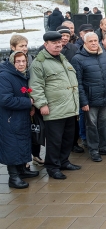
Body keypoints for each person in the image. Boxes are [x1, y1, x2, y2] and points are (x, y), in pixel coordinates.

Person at [29, 31, 81, 179]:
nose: (58, 45)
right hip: (53, 109)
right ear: (46, 44)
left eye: (59, 42)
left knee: (67, 138)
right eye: (54, 43)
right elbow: (36, 86)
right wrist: (42, 104)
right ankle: (52, 167)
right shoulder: (39, 63)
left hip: (70, 107)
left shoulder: (62, 58)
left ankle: (64, 161)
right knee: (54, 141)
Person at [70, 33, 106, 162]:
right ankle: (94, 150)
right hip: (90, 100)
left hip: (105, 98)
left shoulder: (105, 56)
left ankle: (104, 147)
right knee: (91, 126)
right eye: (90, 41)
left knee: (104, 124)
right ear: (84, 43)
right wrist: (83, 101)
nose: (94, 43)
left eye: (95, 40)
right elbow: (77, 83)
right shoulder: (78, 59)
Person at [0, 51, 39, 188]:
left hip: (21, 117)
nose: (21, 64)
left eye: (23, 61)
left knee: (22, 142)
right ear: (12, 62)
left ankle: (22, 170)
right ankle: (13, 177)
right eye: (18, 62)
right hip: (9, 118)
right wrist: (28, 103)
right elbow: (5, 100)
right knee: (12, 146)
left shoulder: (22, 75)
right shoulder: (5, 76)